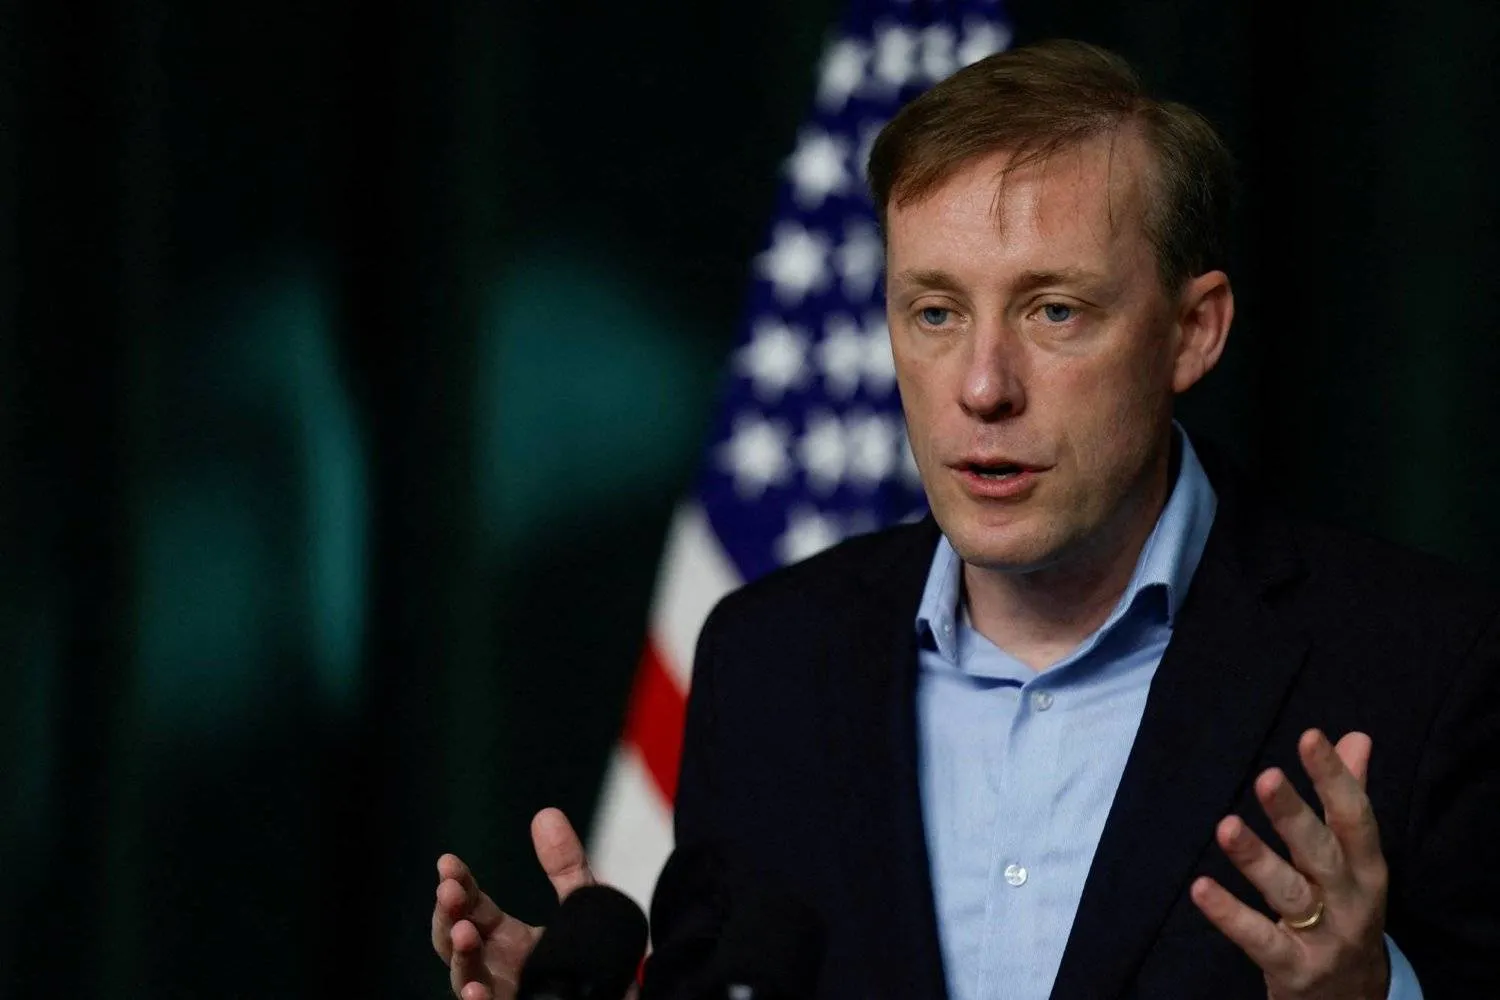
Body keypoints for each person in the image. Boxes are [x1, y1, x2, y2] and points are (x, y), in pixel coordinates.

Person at [431, 40, 1500, 999]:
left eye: (1054, 311)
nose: (983, 386)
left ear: (1192, 331)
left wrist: (1370, 995)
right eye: (935, 312)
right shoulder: (769, 659)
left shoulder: (1422, 663)